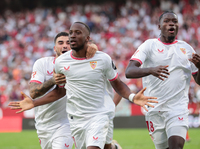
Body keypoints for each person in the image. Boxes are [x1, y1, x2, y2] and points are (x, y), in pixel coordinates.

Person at [10, 22, 157, 149]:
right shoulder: (57, 64)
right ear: (54, 47)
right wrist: (35, 101)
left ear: (87, 39)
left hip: (92, 116)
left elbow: (117, 84)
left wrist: (130, 97)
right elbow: (56, 92)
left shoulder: (100, 58)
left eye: (73, 37)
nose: (68, 42)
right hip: (74, 118)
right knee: (105, 147)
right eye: (62, 41)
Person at [125, 10, 200, 149]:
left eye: (174, 21)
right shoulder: (149, 45)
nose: (171, 24)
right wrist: (150, 70)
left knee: (176, 146)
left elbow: (199, 80)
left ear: (178, 26)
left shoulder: (187, 49)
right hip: (154, 109)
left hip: (178, 108)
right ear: (159, 27)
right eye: (166, 21)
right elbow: (129, 71)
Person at [26, 32, 98, 149]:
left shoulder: (78, 66)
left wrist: (92, 46)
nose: (65, 46)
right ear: (54, 48)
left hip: (67, 122)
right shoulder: (42, 64)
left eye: (68, 43)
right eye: (61, 43)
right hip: (43, 124)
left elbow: (91, 50)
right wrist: (52, 81)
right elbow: (34, 93)